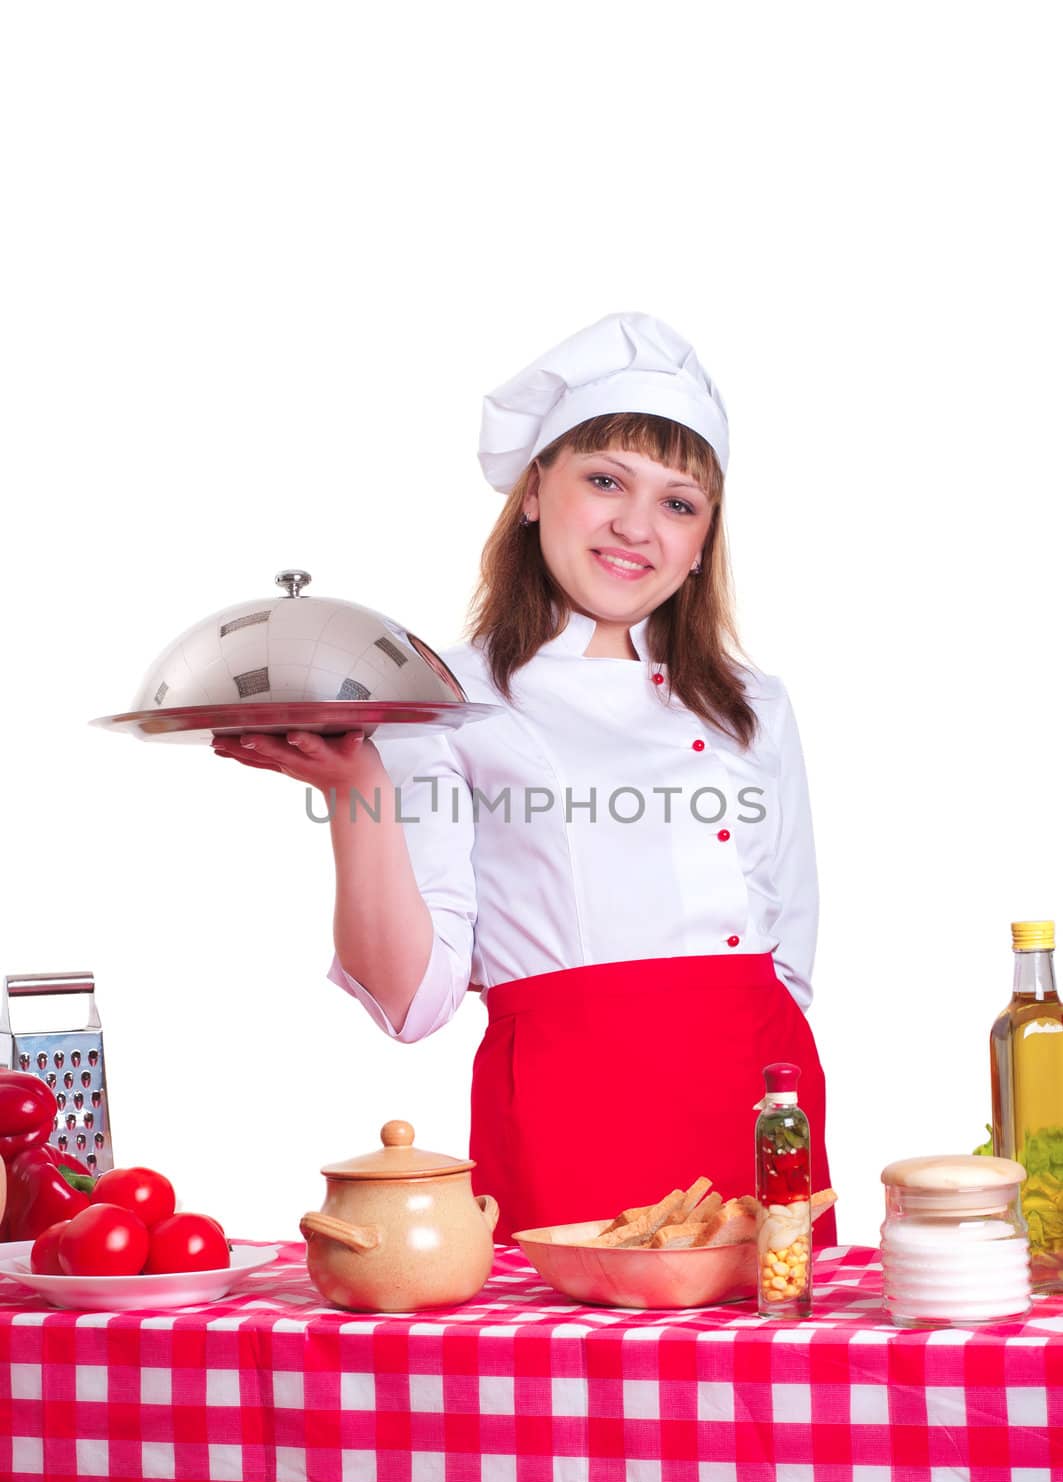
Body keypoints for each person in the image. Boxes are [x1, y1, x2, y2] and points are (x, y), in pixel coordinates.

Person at [213, 312, 835, 1246]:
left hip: (759, 1108)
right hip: (571, 1120)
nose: (637, 526)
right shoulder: (443, 696)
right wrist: (357, 795)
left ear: (704, 541)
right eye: (604, 480)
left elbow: (786, 959)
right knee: (569, 1388)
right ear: (535, 490)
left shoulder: (754, 704)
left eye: (679, 503)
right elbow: (413, 1000)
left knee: (768, 1389)